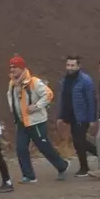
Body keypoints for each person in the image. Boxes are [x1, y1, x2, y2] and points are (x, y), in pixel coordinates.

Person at [7, 55, 69, 183]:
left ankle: (62, 166)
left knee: (44, 147)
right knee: (21, 148)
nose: (12, 70)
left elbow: (48, 94)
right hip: (21, 122)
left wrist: (36, 106)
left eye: (15, 67)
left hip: (36, 122)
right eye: (11, 67)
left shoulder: (34, 82)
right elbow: (11, 98)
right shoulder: (12, 83)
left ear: (22, 68)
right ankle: (29, 176)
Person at [56, 55, 98, 178]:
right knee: (80, 141)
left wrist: (92, 119)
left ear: (78, 66)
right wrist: (60, 116)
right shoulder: (65, 80)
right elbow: (63, 99)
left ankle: (84, 168)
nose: (70, 67)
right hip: (71, 116)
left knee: (79, 142)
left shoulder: (86, 80)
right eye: (68, 65)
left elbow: (91, 101)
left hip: (82, 116)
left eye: (72, 65)